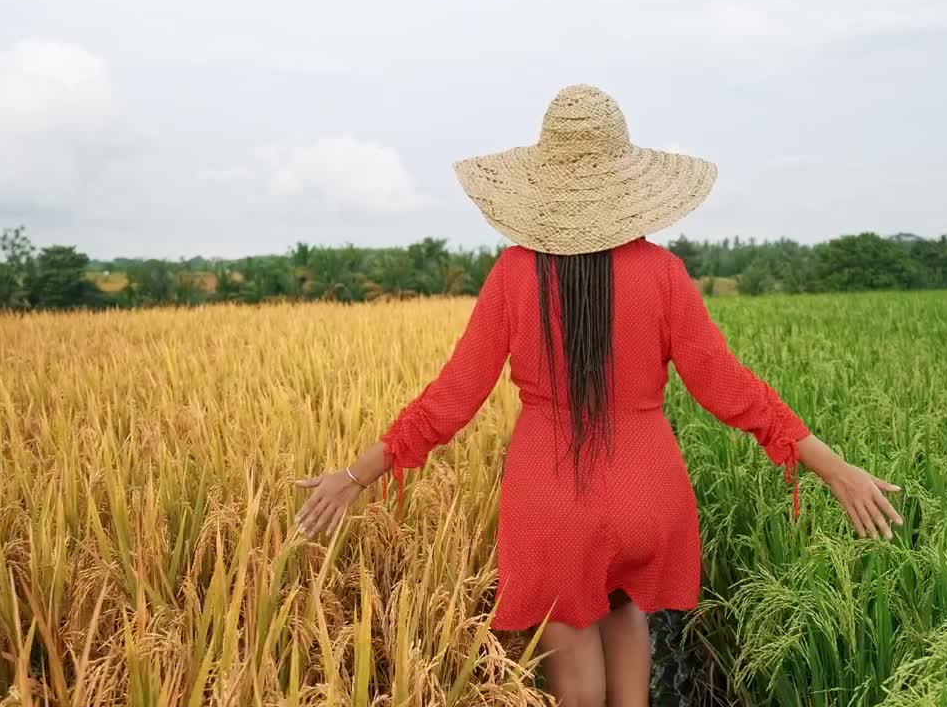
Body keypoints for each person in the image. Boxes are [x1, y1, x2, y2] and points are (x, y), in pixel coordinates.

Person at [294, 84, 904, 707]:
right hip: (650, 493)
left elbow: (451, 399)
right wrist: (833, 468)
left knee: (576, 669)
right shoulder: (664, 275)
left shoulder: (514, 274)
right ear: (625, 182)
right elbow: (730, 386)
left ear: (542, 184)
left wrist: (356, 474)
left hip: (552, 500)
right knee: (625, 615)